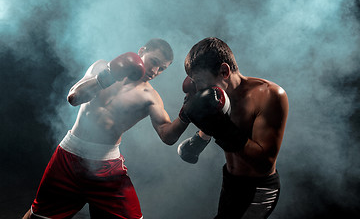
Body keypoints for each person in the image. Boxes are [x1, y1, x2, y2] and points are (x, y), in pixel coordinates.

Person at [23, 38, 188, 219]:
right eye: (154, 62)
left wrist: (187, 114)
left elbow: (167, 135)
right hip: (69, 157)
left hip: (107, 168)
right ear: (141, 51)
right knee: (37, 216)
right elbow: (74, 97)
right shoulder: (102, 67)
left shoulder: (150, 96)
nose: (155, 71)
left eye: (162, 69)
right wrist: (107, 76)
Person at [177, 37, 289, 218]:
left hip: (258, 189)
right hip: (230, 181)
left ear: (224, 71)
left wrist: (220, 128)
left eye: (199, 81)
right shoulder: (218, 96)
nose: (197, 89)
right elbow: (218, 120)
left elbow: (264, 162)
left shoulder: (269, 95)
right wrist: (197, 142)